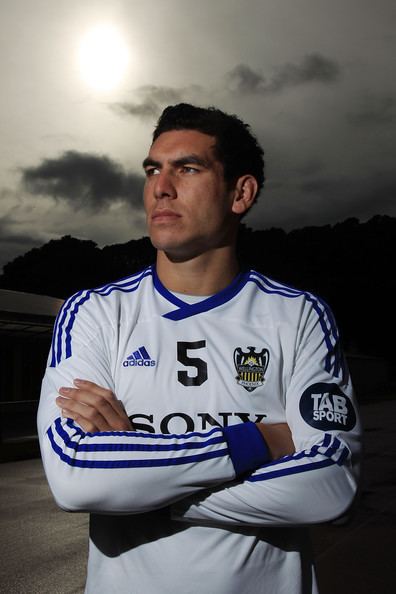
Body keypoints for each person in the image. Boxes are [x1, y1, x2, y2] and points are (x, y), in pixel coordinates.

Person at [38, 103, 361, 594]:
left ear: (241, 192)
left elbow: (331, 482)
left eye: (187, 168)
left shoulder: (297, 316)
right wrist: (257, 443)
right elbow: (76, 475)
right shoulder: (95, 313)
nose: (160, 188)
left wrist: (141, 478)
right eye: (153, 170)